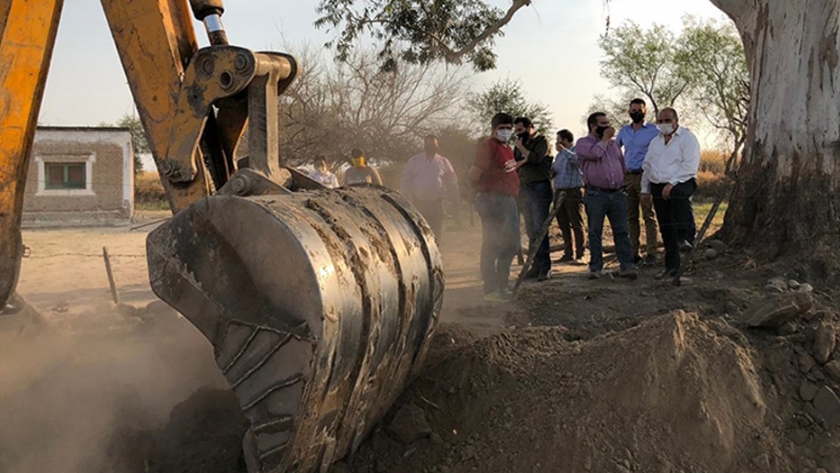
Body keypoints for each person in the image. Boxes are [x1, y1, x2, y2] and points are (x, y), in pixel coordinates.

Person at [575, 112, 638, 280]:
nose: (608, 125)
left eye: (608, 122)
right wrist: (604, 140)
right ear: (593, 126)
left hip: (617, 194)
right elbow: (594, 154)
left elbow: (621, 163)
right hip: (596, 194)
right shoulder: (583, 143)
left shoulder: (614, 145)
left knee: (622, 230)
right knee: (595, 230)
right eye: (603, 123)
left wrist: (624, 180)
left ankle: (627, 266)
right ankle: (595, 268)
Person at [641, 107, 701, 279]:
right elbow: (647, 167)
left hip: (683, 180)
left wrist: (672, 184)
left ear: (676, 121)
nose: (664, 124)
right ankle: (671, 266)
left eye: (667, 120)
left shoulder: (687, 139)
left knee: (678, 196)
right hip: (658, 185)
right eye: (660, 121)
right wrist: (645, 191)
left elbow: (689, 166)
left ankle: (686, 235)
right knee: (665, 226)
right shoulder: (655, 142)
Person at [468, 112, 521, 301]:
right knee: (493, 244)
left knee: (512, 244)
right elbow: (474, 173)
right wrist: (482, 191)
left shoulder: (507, 148)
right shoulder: (488, 147)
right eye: (502, 128)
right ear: (493, 129)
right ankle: (491, 289)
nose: (506, 131)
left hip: (508, 200)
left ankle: (502, 285)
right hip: (493, 200)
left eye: (509, 127)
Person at [617, 98, 661, 265]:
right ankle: (633, 252)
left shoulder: (653, 131)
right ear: (629, 111)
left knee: (648, 215)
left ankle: (651, 252)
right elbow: (615, 150)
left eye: (639, 110)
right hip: (628, 176)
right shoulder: (624, 132)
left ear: (645, 111)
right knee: (631, 216)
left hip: (646, 176)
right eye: (633, 110)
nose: (636, 112)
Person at [512, 117, 553, 281]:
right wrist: (524, 157)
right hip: (524, 188)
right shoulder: (520, 144)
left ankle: (545, 267)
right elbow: (517, 162)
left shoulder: (542, 141)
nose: (518, 133)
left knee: (539, 229)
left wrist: (522, 149)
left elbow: (536, 159)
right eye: (517, 131)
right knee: (530, 230)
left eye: (521, 130)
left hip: (540, 188)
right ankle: (535, 266)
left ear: (530, 127)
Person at [400, 135, 459, 238]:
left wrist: (453, 197)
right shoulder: (415, 161)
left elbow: (451, 180)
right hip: (418, 203)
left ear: (437, 146)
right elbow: (405, 178)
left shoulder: (443, 162)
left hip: (436, 203)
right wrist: (404, 194)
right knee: (419, 232)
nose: (431, 147)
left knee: (436, 232)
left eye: (434, 145)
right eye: (429, 144)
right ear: (424, 145)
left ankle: (436, 251)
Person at [552, 129, 585, 263]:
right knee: (563, 223)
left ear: (565, 140)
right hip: (560, 191)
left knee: (576, 223)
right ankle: (568, 252)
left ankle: (580, 254)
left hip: (573, 191)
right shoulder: (559, 155)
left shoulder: (576, 150)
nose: (556, 143)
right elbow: (556, 169)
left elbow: (577, 162)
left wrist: (564, 150)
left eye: (558, 140)